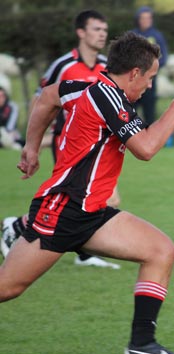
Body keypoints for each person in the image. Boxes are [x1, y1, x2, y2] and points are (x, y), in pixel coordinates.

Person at [0, 31, 174, 354]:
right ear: (134, 73)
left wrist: (31, 147)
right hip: (62, 208)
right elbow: (146, 149)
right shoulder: (110, 99)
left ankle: (143, 347)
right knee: (8, 287)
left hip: (91, 210)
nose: (150, 86)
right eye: (149, 78)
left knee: (161, 251)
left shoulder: (84, 85)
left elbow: (47, 97)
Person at [1, 10, 121, 268]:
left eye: (104, 30)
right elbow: (42, 99)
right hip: (69, 143)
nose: (102, 34)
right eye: (96, 29)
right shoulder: (63, 65)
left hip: (99, 146)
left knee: (95, 200)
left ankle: (20, 227)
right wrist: (34, 144)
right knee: (92, 199)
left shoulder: (106, 66)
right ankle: (24, 229)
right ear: (81, 32)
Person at [132, 6, 169, 125]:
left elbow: (163, 58)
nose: (146, 21)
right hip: (133, 81)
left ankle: (150, 140)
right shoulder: (132, 35)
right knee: (130, 112)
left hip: (150, 83)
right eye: (143, 18)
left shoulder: (157, 36)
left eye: (148, 18)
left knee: (150, 113)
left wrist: (150, 70)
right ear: (138, 19)